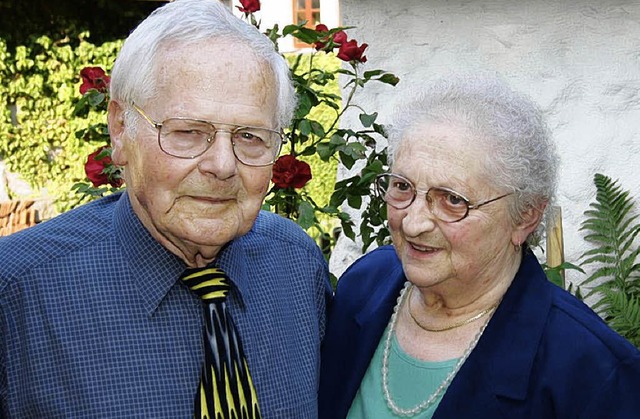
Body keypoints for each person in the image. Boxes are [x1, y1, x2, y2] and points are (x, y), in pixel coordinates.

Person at [0, 0, 332, 417]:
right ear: (120, 129)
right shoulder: (18, 292)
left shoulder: (297, 266)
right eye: (189, 132)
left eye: (250, 136)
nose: (223, 166)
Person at [318, 75, 640, 418]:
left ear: (524, 218)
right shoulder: (365, 284)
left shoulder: (592, 371)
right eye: (402, 186)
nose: (412, 223)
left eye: (453, 200)